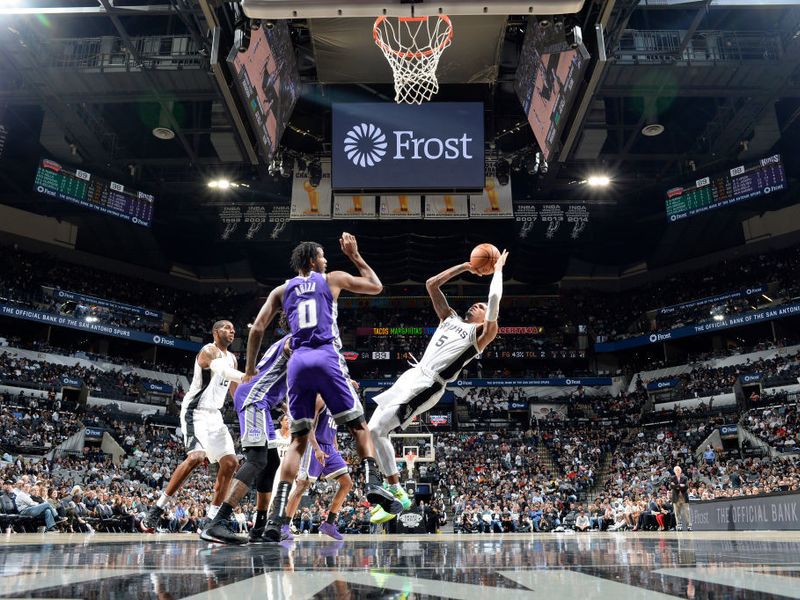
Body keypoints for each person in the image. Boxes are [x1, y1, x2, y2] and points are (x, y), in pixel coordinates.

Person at [244, 234, 401, 542]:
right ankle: (371, 484)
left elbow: (258, 328)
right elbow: (376, 285)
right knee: (360, 427)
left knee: (297, 443)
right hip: (327, 355)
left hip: (297, 361)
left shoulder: (280, 290)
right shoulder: (332, 279)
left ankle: (277, 519)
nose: (327, 260)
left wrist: (250, 368)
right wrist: (355, 256)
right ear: (314, 261)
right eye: (324, 256)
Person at [368, 250, 509, 524]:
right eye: (475, 305)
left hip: (430, 383)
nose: (476, 306)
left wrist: (499, 269)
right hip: (412, 374)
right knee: (373, 430)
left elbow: (493, 299)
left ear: (487, 317)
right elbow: (431, 284)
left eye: (480, 307)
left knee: (377, 429)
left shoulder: (481, 335)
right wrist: (466, 266)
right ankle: (392, 490)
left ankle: (397, 491)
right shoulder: (450, 318)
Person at [141, 321, 241, 532]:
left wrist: (244, 408)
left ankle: (213, 518)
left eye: (233, 329)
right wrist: (248, 376)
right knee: (196, 457)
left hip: (215, 415)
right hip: (196, 411)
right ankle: (158, 509)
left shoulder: (233, 358)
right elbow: (222, 371)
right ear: (215, 332)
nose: (232, 331)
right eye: (227, 328)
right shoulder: (208, 350)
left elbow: (234, 388)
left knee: (231, 463)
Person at [199, 332, 291, 544]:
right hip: (254, 399)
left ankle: (259, 527)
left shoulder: (286, 340)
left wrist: (284, 405)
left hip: (263, 402)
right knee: (257, 459)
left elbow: (273, 377)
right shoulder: (294, 340)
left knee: (271, 462)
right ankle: (216, 523)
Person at [284, 395, 354, 541]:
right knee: (302, 485)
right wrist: (316, 449)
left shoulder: (337, 402)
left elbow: (332, 427)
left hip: (329, 447)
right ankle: (283, 526)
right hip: (313, 445)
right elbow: (308, 426)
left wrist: (335, 445)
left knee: (347, 483)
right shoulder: (320, 399)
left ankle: (329, 524)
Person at [671, 465, 692, 531]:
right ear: (674, 471)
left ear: (680, 471)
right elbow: (671, 487)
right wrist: (680, 485)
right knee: (677, 513)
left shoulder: (685, 478)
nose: (677, 471)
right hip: (676, 497)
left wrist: (676, 486)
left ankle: (689, 526)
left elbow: (686, 486)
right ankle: (679, 525)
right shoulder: (672, 478)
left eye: (678, 470)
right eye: (676, 470)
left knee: (687, 512)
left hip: (684, 497)